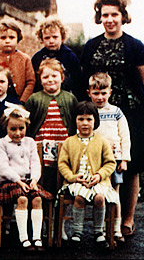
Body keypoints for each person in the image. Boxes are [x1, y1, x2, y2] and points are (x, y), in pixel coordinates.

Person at [80, 0, 144, 239]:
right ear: (99, 17)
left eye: (114, 14)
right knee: (99, 164)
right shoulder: (91, 46)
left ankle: (127, 219)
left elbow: (143, 82)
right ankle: (103, 222)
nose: (109, 19)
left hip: (131, 114)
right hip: (98, 114)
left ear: (123, 16)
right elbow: (86, 80)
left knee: (130, 166)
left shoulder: (136, 46)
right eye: (105, 15)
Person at [57, 101, 119, 248]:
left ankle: (98, 232)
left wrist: (99, 175)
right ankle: (77, 232)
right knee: (79, 198)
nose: (85, 123)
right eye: (81, 119)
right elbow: (62, 164)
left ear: (95, 121)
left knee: (100, 198)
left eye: (89, 119)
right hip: (76, 182)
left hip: (98, 182)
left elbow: (110, 163)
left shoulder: (102, 141)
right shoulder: (69, 142)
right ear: (75, 121)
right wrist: (73, 177)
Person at [0, 105, 53, 251]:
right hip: (10, 182)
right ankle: (24, 238)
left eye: (21, 128)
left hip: (28, 181)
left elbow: (35, 164)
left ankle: (37, 237)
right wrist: (18, 181)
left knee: (37, 199)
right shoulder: (1, 144)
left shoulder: (30, 142)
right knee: (22, 199)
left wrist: (34, 180)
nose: (18, 133)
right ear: (6, 128)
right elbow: (3, 168)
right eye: (13, 129)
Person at [88, 72, 131, 243]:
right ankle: (101, 229)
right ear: (89, 92)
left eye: (103, 93)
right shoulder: (88, 112)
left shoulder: (116, 112)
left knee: (114, 195)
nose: (100, 97)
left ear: (110, 92)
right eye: (96, 93)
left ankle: (116, 229)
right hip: (95, 162)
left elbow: (125, 136)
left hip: (114, 160)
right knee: (99, 196)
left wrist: (124, 159)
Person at [24, 59, 78, 195]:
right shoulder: (34, 99)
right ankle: (41, 212)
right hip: (41, 148)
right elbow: (27, 125)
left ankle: (59, 213)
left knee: (60, 179)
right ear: (40, 80)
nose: (50, 80)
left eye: (54, 76)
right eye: (46, 77)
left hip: (64, 147)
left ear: (62, 77)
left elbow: (75, 122)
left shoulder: (70, 98)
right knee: (43, 179)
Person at [0, 18, 36, 103]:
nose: (7, 41)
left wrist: (23, 100)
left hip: (19, 101)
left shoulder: (24, 58)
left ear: (17, 39)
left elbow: (30, 82)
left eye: (11, 37)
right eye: (3, 38)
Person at [30, 16, 82, 96]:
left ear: (62, 37)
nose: (51, 41)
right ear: (42, 39)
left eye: (55, 37)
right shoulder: (37, 58)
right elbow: (34, 82)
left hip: (66, 97)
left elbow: (78, 81)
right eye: (47, 38)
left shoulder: (70, 57)